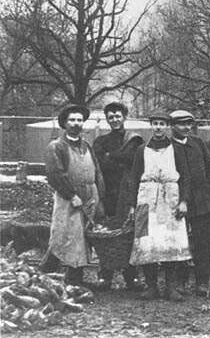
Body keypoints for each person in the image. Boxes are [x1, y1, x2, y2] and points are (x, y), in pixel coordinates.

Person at [126, 112, 192, 301]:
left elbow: (186, 176)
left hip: (171, 199)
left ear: (167, 126)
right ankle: (151, 286)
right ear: (151, 126)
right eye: (155, 123)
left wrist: (184, 201)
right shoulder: (141, 150)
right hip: (147, 199)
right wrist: (132, 205)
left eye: (162, 124)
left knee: (170, 242)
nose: (158, 127)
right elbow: (133, 178)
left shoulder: (177, 150)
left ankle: (171, 287)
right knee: (148, 242)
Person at [45, 104, 105, 286]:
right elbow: (55, 174)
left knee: (83, 238)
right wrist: (71, 195)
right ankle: (48, 274)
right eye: (72, 120)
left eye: (79, 120)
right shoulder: (57, 146)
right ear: (64, 122)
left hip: (89, 195)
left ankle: (74, 277)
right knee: (64, 235)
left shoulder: (86, 146)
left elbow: (97, 172)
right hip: (69, 198)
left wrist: (99, 197)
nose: (76, 123)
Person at [92, 101, 144, 292]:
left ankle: (131, 277)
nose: (114, 120)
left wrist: (111, 156)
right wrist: (118, 158)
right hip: (109, 192)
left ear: (124, 117)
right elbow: (100, 164)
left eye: (117, 116)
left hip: (129, 191)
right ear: (107, 120)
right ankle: (105, 276)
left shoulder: (135, 140)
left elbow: (134, 161)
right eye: (111, 117)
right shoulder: (100, 141)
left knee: (129, 233)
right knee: (107, 234)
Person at [169, 110, 210, 296]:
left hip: (202, 200)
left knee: (203, 242)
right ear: (172, 126)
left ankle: (202, 282)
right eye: (181, 124)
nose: (186, 127)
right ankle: (179, 282)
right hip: (178, 202)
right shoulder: (167, 147)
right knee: (180, 242)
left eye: (189, 123)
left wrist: (209, 190)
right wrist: (180, 199)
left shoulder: (198, 143)